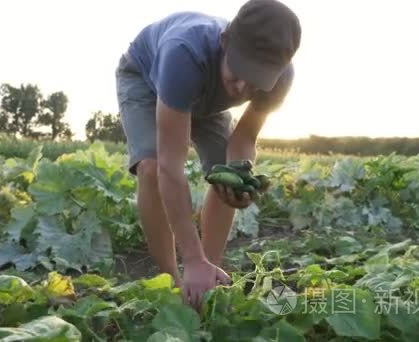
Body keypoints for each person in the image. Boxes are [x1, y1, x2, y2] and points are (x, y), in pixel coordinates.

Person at [114, 0, 301, 311]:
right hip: (147, 78)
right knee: (151, 166)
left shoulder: (281, 78)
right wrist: (190, 256)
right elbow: (170, 168)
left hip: (208, 99)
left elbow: (243, 142)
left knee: (226, 174)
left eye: (255, 81)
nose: (242, 88)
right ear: (225, 42)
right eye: (239, 71)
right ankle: (172, 283)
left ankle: (206, 278)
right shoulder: (183, 53)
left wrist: (241, 177)